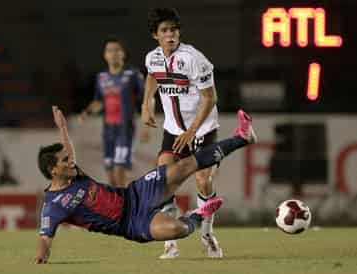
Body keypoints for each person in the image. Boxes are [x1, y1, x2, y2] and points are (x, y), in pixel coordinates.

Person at [35, 106, 256, 264]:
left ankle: (242, 137)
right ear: (53, 171)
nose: (71, 160)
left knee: (182, 167)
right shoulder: (53, 206)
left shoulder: (74, 173)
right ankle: (199, 213)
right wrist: (41, 257)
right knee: (176, 229)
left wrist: (63, 127)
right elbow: (45, 239)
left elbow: (68, 150)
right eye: (65, 160)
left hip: (135, 193)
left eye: (69, 157)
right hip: (132, 225)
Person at [141, 8, 222, 258]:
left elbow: (210, 98)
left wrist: (193, 131)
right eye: (164, 31)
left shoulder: (194, 58)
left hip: (203, 130)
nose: (170, 35)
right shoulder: (152, 58)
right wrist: (147, 104)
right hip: (173, 131)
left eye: (173, 29)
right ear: (155, 35)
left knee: (203, 180)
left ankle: (207, 234)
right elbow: (153, 76)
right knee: (162, 181)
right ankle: (171, 241)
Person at [79, 37, 146, 187]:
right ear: (105, 55)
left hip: (125, 130)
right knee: (111, 178)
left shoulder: (132, 75)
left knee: (119, 171)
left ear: (123, 53)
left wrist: (146, 125)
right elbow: (99, 102)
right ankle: (120, 206)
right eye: (110, 50)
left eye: (117, 50)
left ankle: (126, 208)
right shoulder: (101, 77)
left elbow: (147, 99)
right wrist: (87, 112)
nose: (114, 53)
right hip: (108, 131)